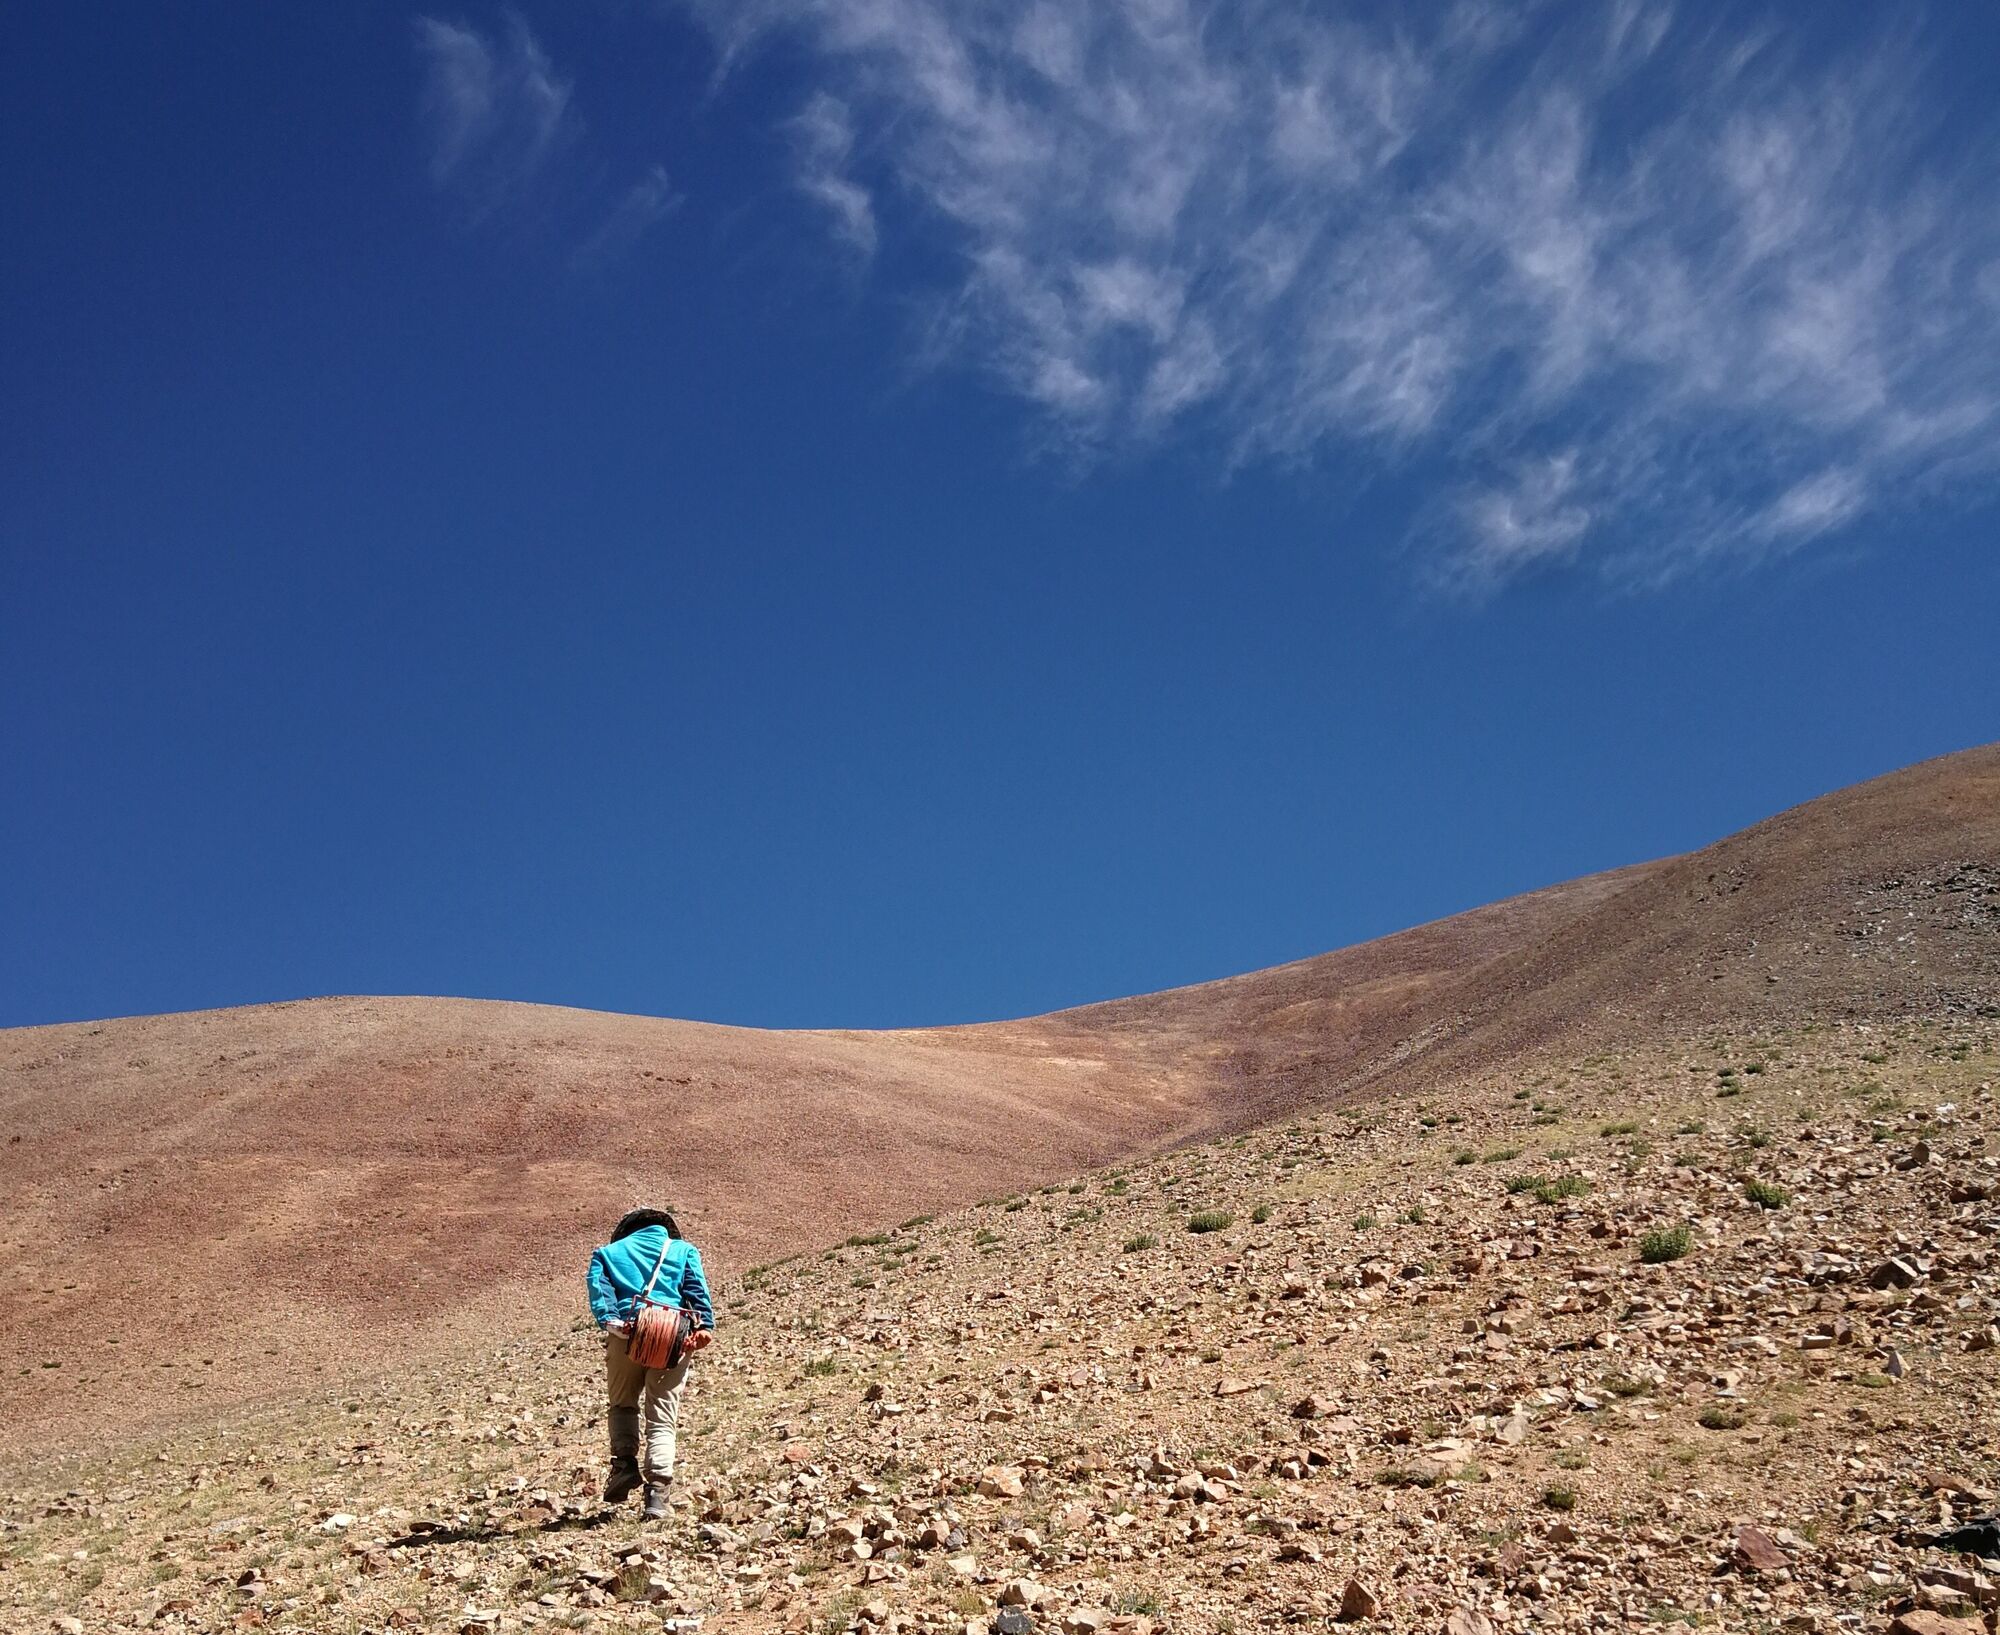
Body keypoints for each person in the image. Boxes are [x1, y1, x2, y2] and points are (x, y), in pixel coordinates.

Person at [586, 1206, 715, 1519]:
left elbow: (598, 1292)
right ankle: (657, 1494)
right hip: (673, 1335)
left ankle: (624, 1466)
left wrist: (614, 1323)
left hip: (626, 1336)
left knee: (622, 1403)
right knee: (662, 1415)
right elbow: (696, 1291)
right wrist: (704, 1327)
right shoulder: (682, 1250)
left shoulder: (606, 1253)